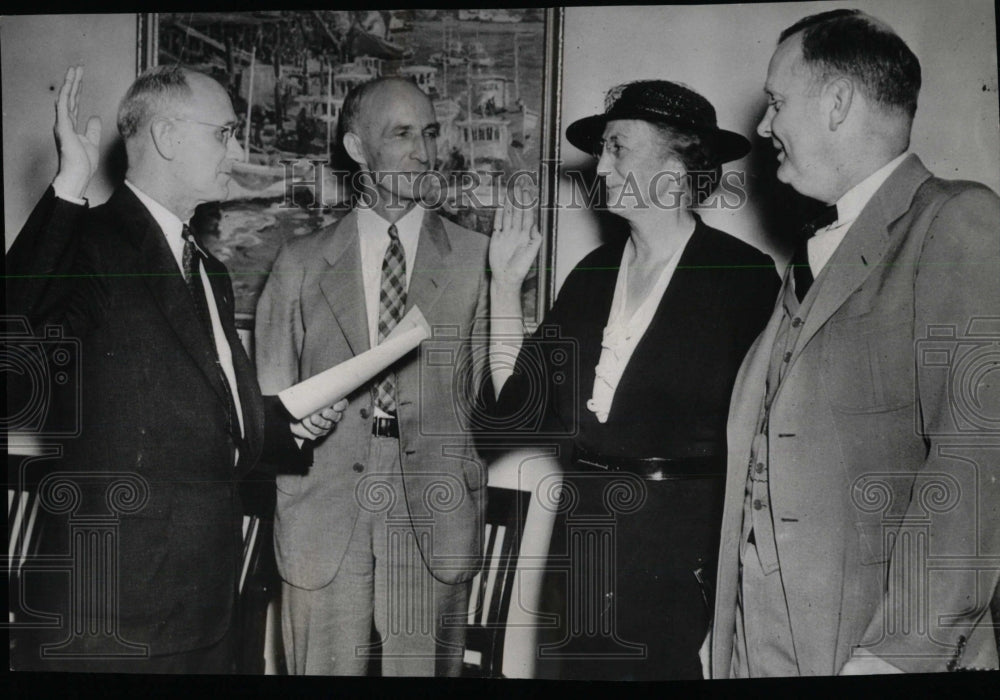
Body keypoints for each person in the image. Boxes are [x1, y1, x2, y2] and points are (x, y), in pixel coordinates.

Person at [7, 65, 346, 674]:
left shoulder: (207, 270)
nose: (238, 152)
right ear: (166, 136)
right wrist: (68, 187)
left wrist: (291, 424)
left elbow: (200, 413)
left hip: (205, 610)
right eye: (225, 133)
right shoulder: (91, 243)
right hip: (109, 616)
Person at [706, 10, 1000, 677]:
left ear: (837, 103)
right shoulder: (810, 258)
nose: (764, 127)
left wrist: (896, 657)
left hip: (871, 653)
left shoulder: (955, 221)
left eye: (778, 103)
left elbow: (977, 462)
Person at [483, 80, 780, 680]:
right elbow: (512, 411)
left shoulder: (743, 280)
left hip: (684, 577)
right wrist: (504, 287)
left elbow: (766, 459)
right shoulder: (590, 275)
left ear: (675, 172)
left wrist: (729, 613)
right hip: (585, 558)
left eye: (619, 148)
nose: (602, 165)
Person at [254, 76, 489, 676]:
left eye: (431, 133)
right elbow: (266, 412)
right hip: (323, 507)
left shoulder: (478, 262)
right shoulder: (299, 263)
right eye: (402, 134)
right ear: (357, 149)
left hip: (433, 509)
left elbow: (502, 397)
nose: (424, 152)